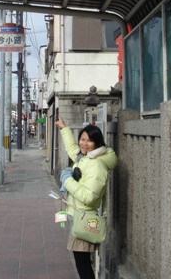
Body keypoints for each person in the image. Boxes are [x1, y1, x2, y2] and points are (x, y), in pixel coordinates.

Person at [56, 115, 117, 279]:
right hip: (78, 214)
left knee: (83, 266)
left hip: (85, 216)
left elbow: (89, 197)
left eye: (88, 140)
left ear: (97, 143)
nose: (84, 143)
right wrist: (64, 128)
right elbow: (71, 149)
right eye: (82, 139)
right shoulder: (85, 158)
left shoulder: (96, 165)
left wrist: (67, 180)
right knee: (82, 263)